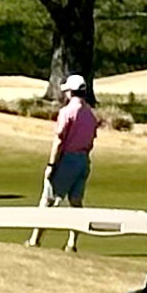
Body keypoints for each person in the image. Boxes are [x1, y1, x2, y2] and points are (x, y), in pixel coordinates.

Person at [47, 71, 100, 209]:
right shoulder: (90, 114)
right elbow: (90, 143)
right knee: (76, 201)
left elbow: (59, 140)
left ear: (70, 92)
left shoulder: (66, 112)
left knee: (49, 201)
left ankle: (36, 232)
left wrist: (51, 165)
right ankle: (75, 231)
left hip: (67, 160)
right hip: (83, 160)